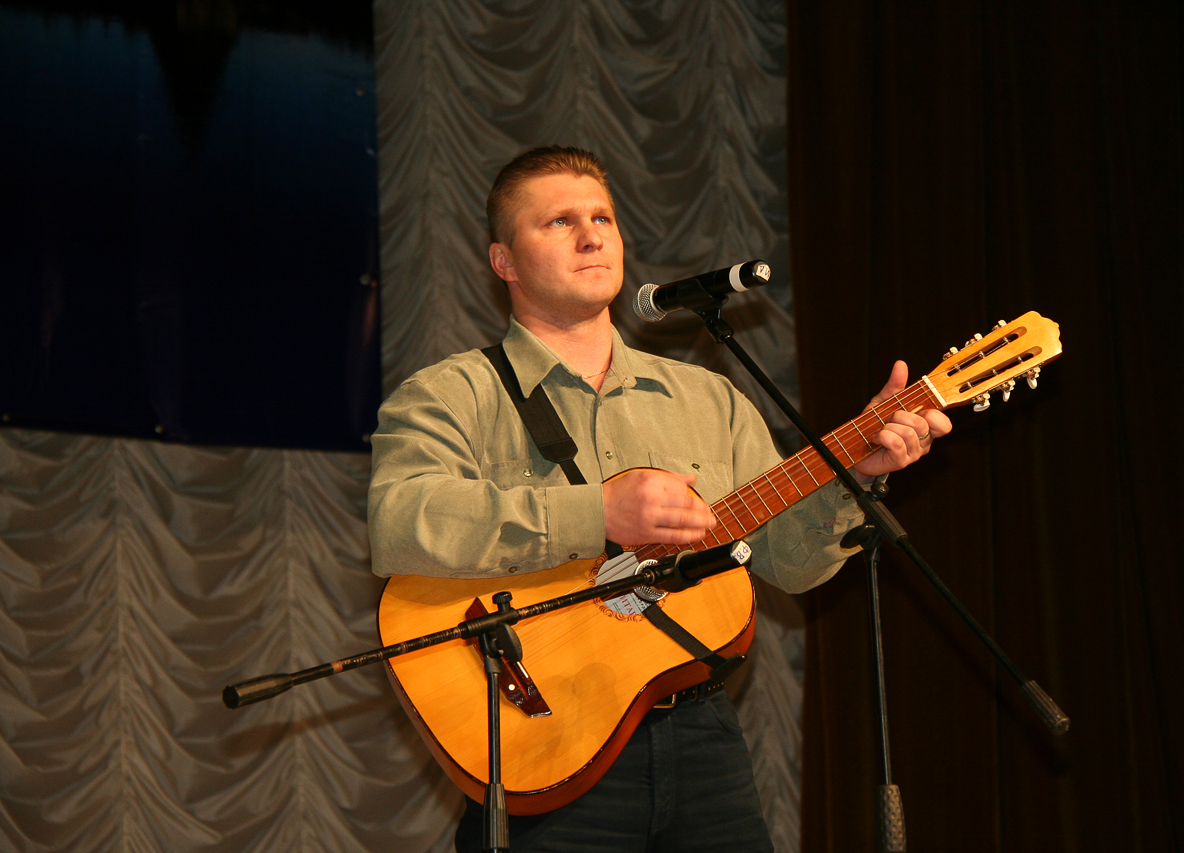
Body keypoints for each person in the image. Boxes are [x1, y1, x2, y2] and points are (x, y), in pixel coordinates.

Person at [368, 146, 951, 852]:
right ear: (504, 262)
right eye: (559, 222)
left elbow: (791, 565)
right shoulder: (450, 395)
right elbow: (399, 522)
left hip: (703, 737)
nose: (591, 237)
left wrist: (851, 474)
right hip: (543, 737)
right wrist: (597, 513)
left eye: (603, 219)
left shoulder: (707, 399)